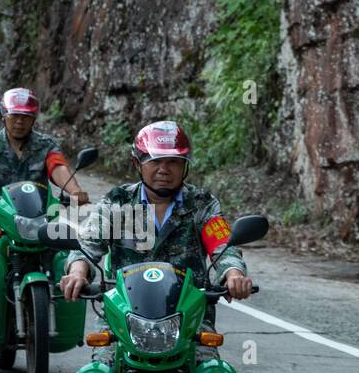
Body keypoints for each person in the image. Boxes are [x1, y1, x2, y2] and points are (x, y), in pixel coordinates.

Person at [59, 120, 253, 316]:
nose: (164, 169)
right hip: (123, 317)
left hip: (189, 319)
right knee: (103, 347)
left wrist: (234, 274)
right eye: (155, 161)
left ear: (185, 165)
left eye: (173, 162)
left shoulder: (203, 204)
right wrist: (77, 273)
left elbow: (223, 246)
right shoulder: (117, 202)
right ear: (138, 163)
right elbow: (87, 245)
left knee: (206, 347)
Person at [0, 87, 90, 295]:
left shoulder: (46, 144)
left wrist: (75, 190)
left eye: (25, 117)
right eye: (14, 116)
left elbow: (58, 167)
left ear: (34, 118)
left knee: (73, 256)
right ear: (4, 115)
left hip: (40, 221)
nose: (19, 122)